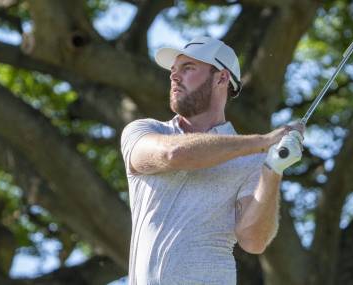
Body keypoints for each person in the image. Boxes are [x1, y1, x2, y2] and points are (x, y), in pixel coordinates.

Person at [121, 36, 304, 285]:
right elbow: (172, 154)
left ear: (221, 78)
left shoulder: (252, 160)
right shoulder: (145, 131)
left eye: (188, 68)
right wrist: (261, 142)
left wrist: (273, 169)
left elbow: (253, 240)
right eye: (174, 70)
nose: (174, 77)